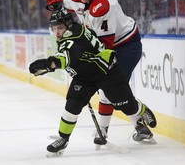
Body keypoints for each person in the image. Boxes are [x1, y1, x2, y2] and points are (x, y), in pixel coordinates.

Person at [29, 10, 157, 156]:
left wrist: (49, 64)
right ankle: (63, 139)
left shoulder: (72, 37)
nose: (57, 32)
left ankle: (141, 109)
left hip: (106, 71)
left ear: (68, 26)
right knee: (73, 103)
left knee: (126, 105)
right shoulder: (74, 30)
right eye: (54, 28)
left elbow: (66, 56)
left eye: (60, 28)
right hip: (84, 76)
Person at [45, 0, 150, 145]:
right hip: (109, 44)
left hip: (126, 46)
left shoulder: (102, 6)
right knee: (111, 90)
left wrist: (79, 60)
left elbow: (103, 46)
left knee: (110, 87)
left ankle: (106, 129)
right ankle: (140, 127)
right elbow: (64, 4)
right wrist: (55, 4)